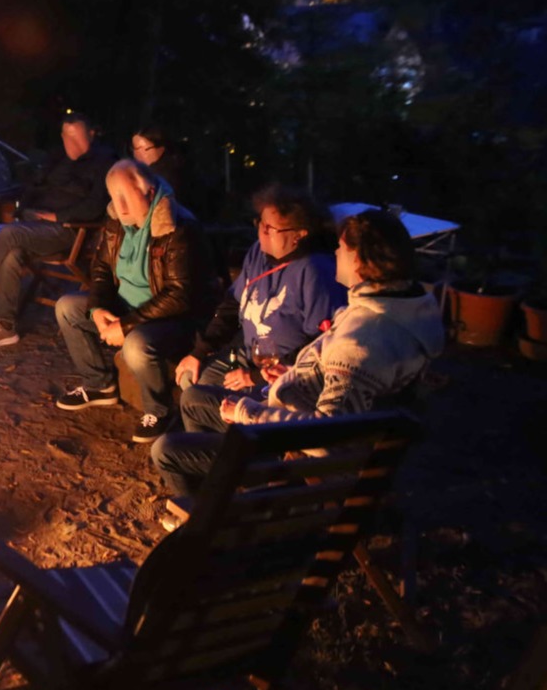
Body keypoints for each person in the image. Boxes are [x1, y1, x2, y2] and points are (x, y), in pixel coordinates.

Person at [150, 208, 445, 498]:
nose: (335, 254)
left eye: (341, 248)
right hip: (309, 422)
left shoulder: (361, 341)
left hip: (295, 459)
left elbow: (324, 438)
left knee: (164, 450)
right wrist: (296, 374)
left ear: (358, 260)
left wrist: (248, 414)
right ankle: (225, 490)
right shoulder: (402, 309)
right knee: (194, 399)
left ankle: (209, 520)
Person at [53, 159, 216, 443]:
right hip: (126, 307)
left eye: (128, 197)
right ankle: (99, 385)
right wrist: (98, 308)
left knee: (136, 344)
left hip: (173, 318)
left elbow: (180, 295)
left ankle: (159, 410)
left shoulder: (178, 228)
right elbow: (102, 269)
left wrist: (127, 326)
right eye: (116, 198)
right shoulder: (117, 220)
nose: (121, 206)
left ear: (150, 193)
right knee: (68, 308)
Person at [0, 113, 115, 350]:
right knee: (13, 252)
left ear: (91, 134)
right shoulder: (56, 159)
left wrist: (57, 217)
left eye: (78, 138)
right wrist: (23, 210)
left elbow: (96, 206)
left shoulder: (104, 163)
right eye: (67, 137)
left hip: (69, 230)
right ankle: (5, 327)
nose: (72, 144)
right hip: (35, 225)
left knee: (11, 234)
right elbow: (34, 186)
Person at [174, 184, 346, 433]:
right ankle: (212, 453)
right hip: (248, 355)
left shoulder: (315, 271)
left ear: (299, 234)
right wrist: (200, 352)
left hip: (285, 374)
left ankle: (233, 455)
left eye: (269, 228)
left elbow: (319, 346)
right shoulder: (258, 253)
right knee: (194, 380)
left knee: (199, 401)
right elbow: (233, 305)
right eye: (260, 223)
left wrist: (253, 376)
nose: (260, 233)